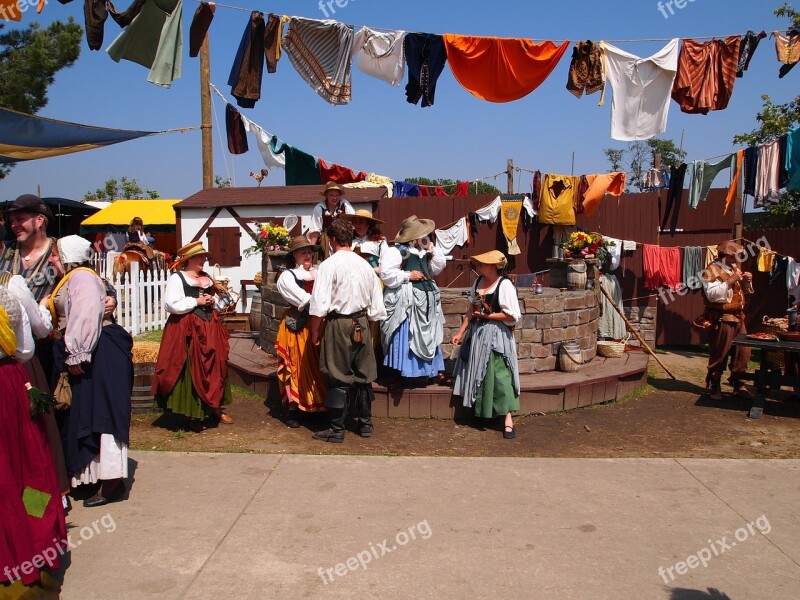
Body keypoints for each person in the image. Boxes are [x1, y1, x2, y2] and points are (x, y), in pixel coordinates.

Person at [46, 235, 133, 508]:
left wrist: (76, 352)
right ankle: (94, 478)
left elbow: (84, 314)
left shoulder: (81, 277)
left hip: (99, 352)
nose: (51, 260)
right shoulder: (75, 278)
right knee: (90, 413)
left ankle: (112, 482)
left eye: (54, 255)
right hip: (94, 351)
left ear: (66, 256)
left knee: (103, 415)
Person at [0, 286, 67, 596]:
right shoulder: (9, 291)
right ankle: (36, 542)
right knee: (29, 471)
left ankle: (20, 547)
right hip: (11, 385)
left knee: (17, 474)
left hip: (9, 390)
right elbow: (25, 350)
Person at [308, 219, 386, 443]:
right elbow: (376, 307)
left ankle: (337, 430)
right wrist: (369, 332)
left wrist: (315, 333)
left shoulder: (328, 265)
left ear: (332, 240)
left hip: (338, 324)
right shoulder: (366, 266)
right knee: (363, 374)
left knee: (338, 376)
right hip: (362, 322)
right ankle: (365, 425)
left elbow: (319, 305)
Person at [152, 241, 233, 432]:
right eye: (200, 257)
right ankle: (193, 413)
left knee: (216, 364)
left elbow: (221, 302)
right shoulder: (177, 278)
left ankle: (214, 408)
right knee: (192, 366)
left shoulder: (207, 278)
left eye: (204, 257)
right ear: (189, 259)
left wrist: (214, 300)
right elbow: (171, 304)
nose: (204, 260)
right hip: (188, 329)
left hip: (210, 326)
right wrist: (196, 300)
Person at [452, 250, 521, 439]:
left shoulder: (504, 285)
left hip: (496, 336)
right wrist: (460, 331)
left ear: (493, 266)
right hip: (476, 335)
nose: (479, 266)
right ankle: (483, 413)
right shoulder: (477, 283)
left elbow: (512, 315)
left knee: (500, 374)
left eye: (483, 263)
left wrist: (487, 315)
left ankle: (507, 419)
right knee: (477, 372)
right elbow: (470, 311)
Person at [379, 215, 446, 384]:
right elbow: (386, 274)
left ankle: (427, 372)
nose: (424, 237)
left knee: (428, 333)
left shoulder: (424, 251)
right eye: (421, 234)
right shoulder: (397, 251)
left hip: (427, 300)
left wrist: (431, 248)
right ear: (413, 237)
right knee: (408, 334)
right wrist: (409, 275)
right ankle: (403, 373)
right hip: (408, 301)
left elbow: (438, 267)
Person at [275, 236, 328, 428]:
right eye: (303, 252)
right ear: (294, 255)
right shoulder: (288, 276)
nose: (308, 255)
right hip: (298, 326)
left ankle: (317, 407)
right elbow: (304, 299)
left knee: (317, 367)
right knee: (298, 364)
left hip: (319, 323)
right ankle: (294, 409)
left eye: (309, 251)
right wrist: (324, 303)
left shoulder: (321, 271)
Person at [700, 239, 754, 401]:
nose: (736, 259)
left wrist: (746, 281)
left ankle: (739, 385)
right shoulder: (710, 271)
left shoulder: (733, 269)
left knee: (743, 352)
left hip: (738, 318)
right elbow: (712, 295)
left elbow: (743, 293)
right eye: (734, 256)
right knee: (719, 353)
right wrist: (731, 281)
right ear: (725, 256)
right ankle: (715, 385)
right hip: (722, 318)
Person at [0, 194, 58, 302]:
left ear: (39, 220)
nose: (14, 225)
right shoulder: (4, 249)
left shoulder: (59, 253)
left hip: (44, 317)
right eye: (12, 220)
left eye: (19, 219)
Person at [306, 182, 355, 253]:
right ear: (326, 195)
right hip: (327, 240)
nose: (334, 198)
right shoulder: (319, 208)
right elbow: (315, 230)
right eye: (331, 195)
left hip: (344, 238)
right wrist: (310, 250)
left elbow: (353, 219)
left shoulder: (344, 204)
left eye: (337, 195)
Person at [341, 209, 386, 275]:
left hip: (373, 277)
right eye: (355, 222)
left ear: (369, 224)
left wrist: (376, 269)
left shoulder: (379, 241)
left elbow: (386, 260)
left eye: (361, 222)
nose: (358, 225)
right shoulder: (348, 241)